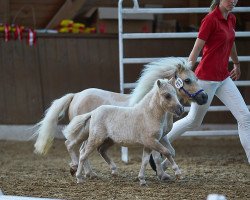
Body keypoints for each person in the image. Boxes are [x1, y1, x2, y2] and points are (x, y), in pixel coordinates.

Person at [165, 0, 250, 163]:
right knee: (193, 121)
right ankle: (159, 145)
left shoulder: (231, 18)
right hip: (205, 80)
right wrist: (184, 73)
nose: (233, 1)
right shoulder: (210, 20)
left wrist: (236, 63)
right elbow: (196, 49)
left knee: (245, 117)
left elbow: (230, 41)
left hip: (223, 78)